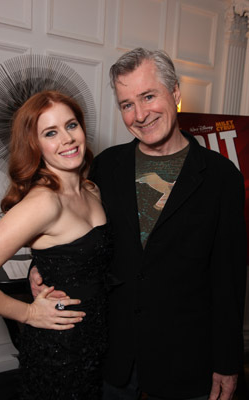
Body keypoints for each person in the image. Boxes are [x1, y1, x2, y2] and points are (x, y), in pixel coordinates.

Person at [30, 49, 247, 400]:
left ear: (175, 93)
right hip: (113, 353)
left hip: (187, 360)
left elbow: (229, 280)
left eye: (148, 96)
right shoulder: (104, 167)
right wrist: (40, 266)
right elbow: (74, 228)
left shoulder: (222, 179)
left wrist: (227, 361)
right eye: (127, 104)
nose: (140, 115)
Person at [0, 90, 113, 399]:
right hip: (59, 352)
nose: (67, 138)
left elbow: (74, 255)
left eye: (71, 125)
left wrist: (38, 265)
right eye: (50, 132)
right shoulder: (44, 202)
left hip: (95, 342)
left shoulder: (91, 188)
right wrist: (28, 314)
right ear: (35, 145)